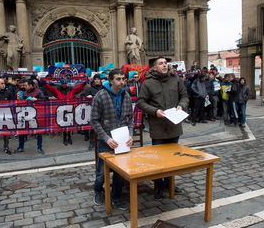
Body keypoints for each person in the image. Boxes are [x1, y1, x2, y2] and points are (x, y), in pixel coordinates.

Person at [138, 57, 188, 200]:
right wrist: (155, 111)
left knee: (172, 158)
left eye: (165, 63)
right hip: (158, 128)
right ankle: (159, 186)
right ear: (154, 68)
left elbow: (184, 96)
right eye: (161, 63)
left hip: (174, 126)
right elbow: (141, 102)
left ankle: (169, 183)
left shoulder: (175, 79)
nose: (164, 65)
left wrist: (181, 105)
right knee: (158, 159)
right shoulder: (148, 84)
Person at [91, 69, 134, 210]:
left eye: (123, 78)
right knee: (101, 172)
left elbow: (130, 119)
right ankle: (98, 190)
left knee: (120, 172)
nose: (122, 81)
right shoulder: (100, 95)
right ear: (111, 80)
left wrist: (130, 135)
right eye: (118, 79)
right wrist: (106, 138)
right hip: (106, 140)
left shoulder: (126, 95)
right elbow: (94, 120)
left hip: (122, 139)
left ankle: (116, 196)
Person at [44, 77, 86, 145]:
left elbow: (80, 87)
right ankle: (64, 138)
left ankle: (69, 138)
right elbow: (49, 88)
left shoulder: (71, 88)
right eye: (63, 83)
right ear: (61, 83)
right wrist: (44, 83)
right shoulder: (57, 89)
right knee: (63, 125)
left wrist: (85, 82)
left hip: (70, 109)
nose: (64, 85)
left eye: (65, 83)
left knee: (69, 125)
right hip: (61, 109)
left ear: (67, 83)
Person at [14, 79, 46, 154]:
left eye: (26, 85)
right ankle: (21, 147)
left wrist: (37, 99)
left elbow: (44, 100)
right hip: (25, 114)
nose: (24, 87)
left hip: (36, 115)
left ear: (31, 85)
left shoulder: (38, 91)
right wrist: (18, 99)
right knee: (22, 131)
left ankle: (39, 147)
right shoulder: (24, 92)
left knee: (38, 132)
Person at [80, 74, 103, 150]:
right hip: (93, 111)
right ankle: (92, 143)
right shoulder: (90, 89)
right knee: (93, 127)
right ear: (94, 80)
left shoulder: (104, 88)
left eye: (98, 79)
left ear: (100, 80)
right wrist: (87, 97)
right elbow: (82, 96)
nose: (97, 80)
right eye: (95, 79)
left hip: (102, 111)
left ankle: (102, 142)